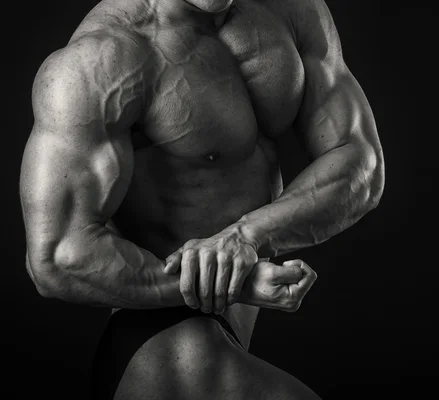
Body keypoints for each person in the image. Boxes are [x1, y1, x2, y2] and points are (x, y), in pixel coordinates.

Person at [20, 0, 385, 398]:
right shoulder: (101, 60)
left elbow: (359, 161)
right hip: (166, 347)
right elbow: (57, 258)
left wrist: (249, 235)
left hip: (226, 338)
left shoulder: (294, 12)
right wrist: (231, 281)